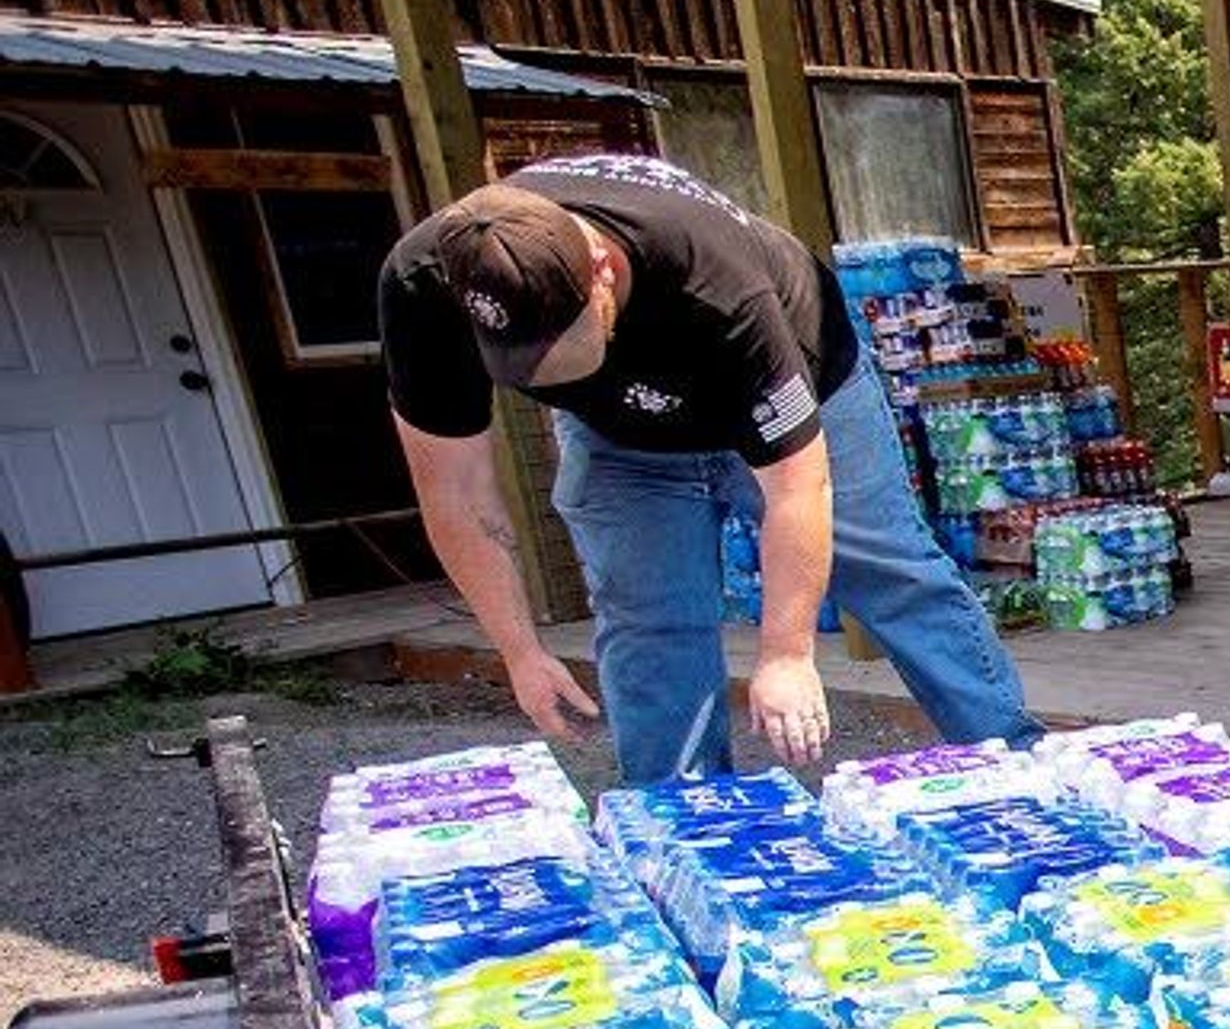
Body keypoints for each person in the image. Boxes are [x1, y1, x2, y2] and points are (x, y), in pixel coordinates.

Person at [377, 157, 1036, 778]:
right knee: (648, 618)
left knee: (890, 569)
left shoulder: (715, 279)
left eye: (578, 345)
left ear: (601, 270)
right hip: (619, 436)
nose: (557, 373)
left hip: (801, 385)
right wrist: (519, 652)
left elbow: (798, 487)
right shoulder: (421, 288)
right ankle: (681, 825)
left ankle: (1017, 756)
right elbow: (455, 494)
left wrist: (785, 655)